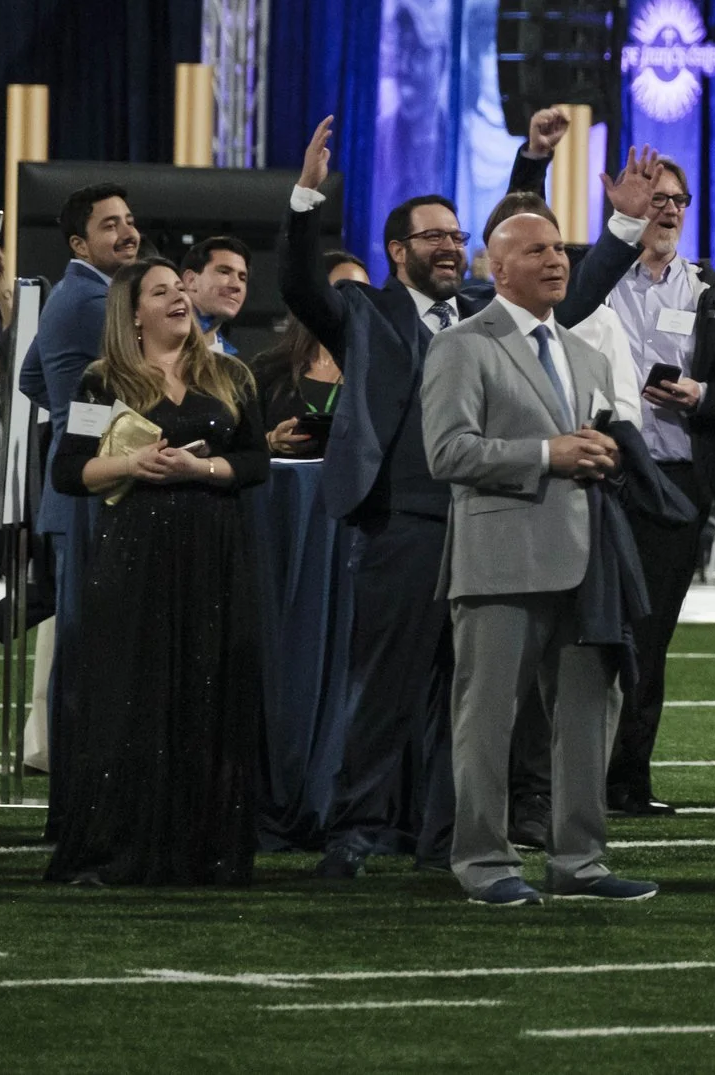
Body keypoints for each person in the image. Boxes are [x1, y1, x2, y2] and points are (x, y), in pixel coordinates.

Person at [286, 109, 642, 878]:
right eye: (434, 237)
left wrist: (539, 167)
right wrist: (304, 204)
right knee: (384, 688)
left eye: (457, 236)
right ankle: (358, 829)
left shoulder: (490, 319)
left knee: (478, 702)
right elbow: (297, 285)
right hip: (404, 523)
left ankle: (444, 837)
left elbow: (535, 261)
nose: (451, 245)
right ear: (396, 251)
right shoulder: (366, 313)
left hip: (491, 524)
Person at [420, 210, 659, 908]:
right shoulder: (464, 344)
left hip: (586, 562)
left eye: (559, 247)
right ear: (498, 268)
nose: (556, 259)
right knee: (487, 719)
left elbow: (588, 443)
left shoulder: (587, 354)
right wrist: (547, 454)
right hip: (499, 557)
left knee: (589, 714)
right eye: (537, 250)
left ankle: (580, 859)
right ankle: (483, 860)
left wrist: (602, 453)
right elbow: (448, 453)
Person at [45, 260, 269, 885]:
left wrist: (202, 471)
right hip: (134, 555)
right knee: (132, 695)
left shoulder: (231, 375)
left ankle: (206, 851)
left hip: (216, 554)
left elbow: (255, 462)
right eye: (160, 291)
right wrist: (131, 465)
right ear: (134, 312)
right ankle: (118, 850)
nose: (177, 297)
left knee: (211, 690)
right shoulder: (102, 381)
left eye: (180, 288)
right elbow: (69, 472)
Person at [564, 143, 715, 818]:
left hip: (675, 481)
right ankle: (562, 774)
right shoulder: (595, 279)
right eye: (657, 198)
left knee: (650, 635)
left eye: (677, 200)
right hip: (596, 476)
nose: (667, 210)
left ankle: (626, 779)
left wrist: (702, 394)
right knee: (581, 629)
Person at [0, 185, 145, 762]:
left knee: (79, 635)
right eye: (110, 225)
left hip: (72, 480)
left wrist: (68, 414)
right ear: (79, 242)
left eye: (130, 221)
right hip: (95, 483)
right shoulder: (97, 302)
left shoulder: (72, 293)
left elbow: (30, 381)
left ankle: (74, 787)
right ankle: (81, 787)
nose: (127, 232)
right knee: (91, 644)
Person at [253, 250, 366, 455]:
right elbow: (237, 447)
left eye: (364, 293)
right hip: (287, 484)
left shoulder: (381, 372)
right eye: (345, 291)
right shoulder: (267, 369)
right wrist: (270, 441)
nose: (356, 302)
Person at [180, 236, 252, 354]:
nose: (237, 285)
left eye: (242, 278)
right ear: (191, 280)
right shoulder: (158, 337)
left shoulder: (230, 362)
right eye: (224, 272)